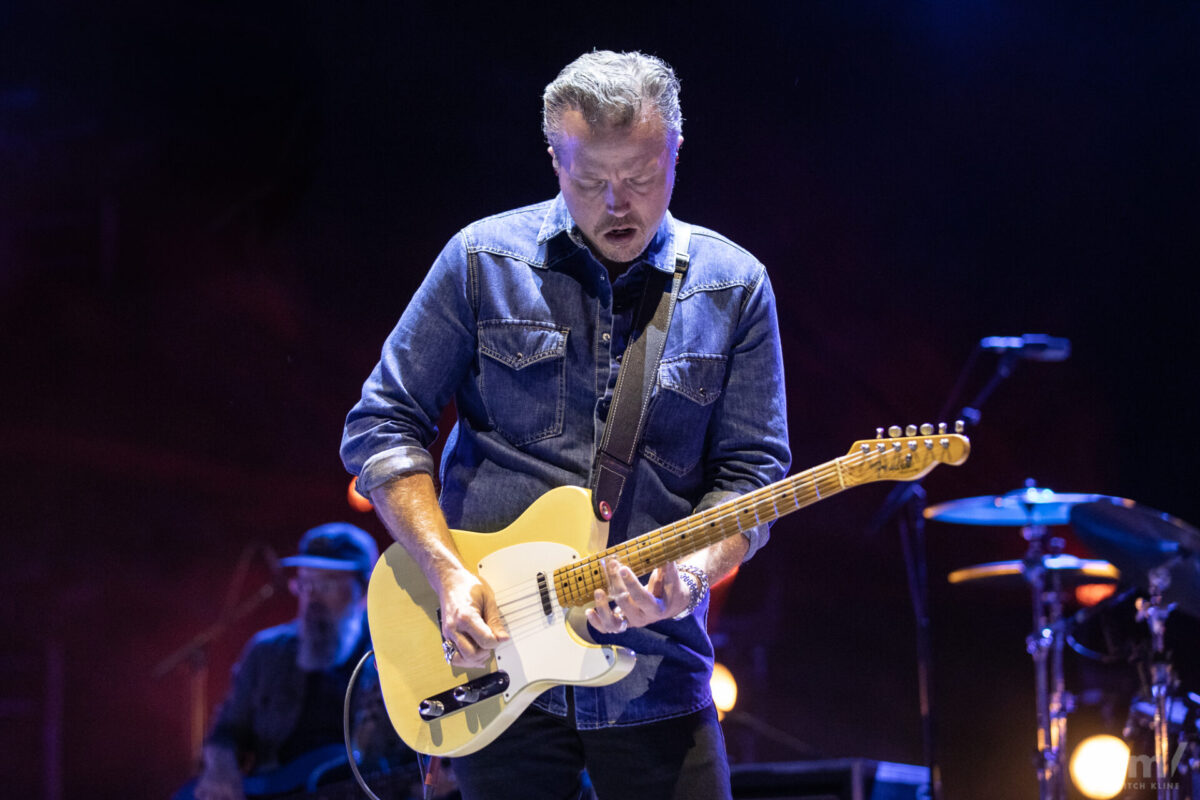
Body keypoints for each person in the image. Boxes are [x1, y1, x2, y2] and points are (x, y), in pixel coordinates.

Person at [341, 50, 790, 799]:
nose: (618, 203)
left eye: (641, 178)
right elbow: (382, 425)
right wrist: (446, 572)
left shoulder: (734, 286)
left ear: (676, 151)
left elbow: (751, 476)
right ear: (555, 160)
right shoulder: (480, 261)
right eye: (590, 181)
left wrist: (689, 575)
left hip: (656, 667)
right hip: (491, 672)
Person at [182, 523, 416, 800]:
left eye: (326, 584)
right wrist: (220, 770)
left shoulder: (392, 654)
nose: (312, 596)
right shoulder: (266, 651)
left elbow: (412, 752)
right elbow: (226, 731)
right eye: (305, 583)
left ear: (364, 592)